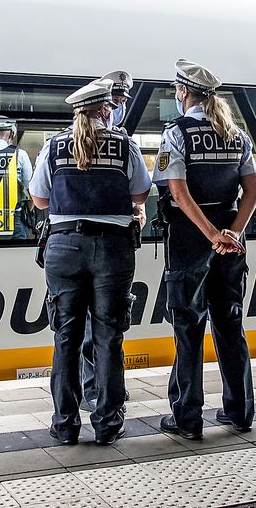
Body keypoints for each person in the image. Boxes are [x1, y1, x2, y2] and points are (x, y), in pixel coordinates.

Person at [30, 79, 151, 446]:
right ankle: (108, 424)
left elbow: (38, 198)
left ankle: (65, 424)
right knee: (108, 338)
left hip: (64, 247)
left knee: (65, 337)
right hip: (113, 249)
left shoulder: (53, 147)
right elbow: (141, 192)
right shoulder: (124, 144)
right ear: (104, 109)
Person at [153, 59, 256, 440]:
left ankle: (188, 417)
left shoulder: (176, 134)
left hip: (190, 238)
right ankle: (240, 411)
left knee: (188, 325)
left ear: (183, 92)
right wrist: (232, 232)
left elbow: (177, 193)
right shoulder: (237, 135)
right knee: (230, 323)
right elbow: (253, 190)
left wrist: (211, 234)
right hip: (233, 239)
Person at [79, 71, 140, 412]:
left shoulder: (120, 138)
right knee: (93, 324)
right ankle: (94, 389)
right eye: (116, 101)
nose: (120, 106)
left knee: (107, 323)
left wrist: (136, 209)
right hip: (93, 241)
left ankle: (104, 388)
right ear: (102, 105)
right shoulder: (81, 138)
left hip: (108, 240)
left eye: (123, 101)